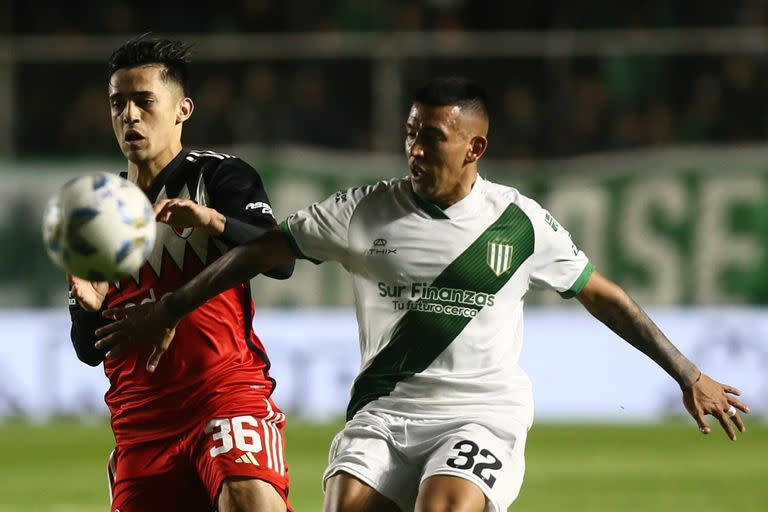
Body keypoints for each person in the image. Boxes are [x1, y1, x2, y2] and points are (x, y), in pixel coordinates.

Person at [94, 77, 750, 512]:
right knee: (346, 506)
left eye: (431, 138)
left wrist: (687, 373)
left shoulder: (518, 223)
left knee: (443, 506)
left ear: (475, 147)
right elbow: (259, 253)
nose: (413, 149)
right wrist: (172, 307)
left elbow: (602, 294)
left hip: (480, 414)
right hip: (384, 412)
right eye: (410, 134)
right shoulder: (362, 211)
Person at [68, 35, 295, 512]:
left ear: (181, 109)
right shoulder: (98, 212)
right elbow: (90, 350)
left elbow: (281, 260)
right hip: (140, 423)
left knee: (249, 498)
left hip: (224, 397)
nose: (129, 115)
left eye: (143, 101)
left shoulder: (219, 177)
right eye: (117, 103)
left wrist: (214, 221)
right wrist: (88, 309)